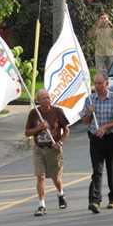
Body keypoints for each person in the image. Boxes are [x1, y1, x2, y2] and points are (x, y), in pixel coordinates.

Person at [80, 72, 113, 213]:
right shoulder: (90, 99)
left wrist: (105, 127)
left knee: (112, 168)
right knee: (97, 169)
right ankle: (94, 200)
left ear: (107, 83)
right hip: (95, 138)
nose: (97, 86)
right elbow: (84, 121)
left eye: (100, 83)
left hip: (111, 137)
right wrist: (89, 113)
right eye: (95, 83)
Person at [25, 89, 70, 217]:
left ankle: (61, 193)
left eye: (48, 97)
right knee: (40, 176)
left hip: (53, 149)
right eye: (44, 98)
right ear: (38, 101)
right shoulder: (34, 113)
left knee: (55, 177)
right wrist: (39, 128)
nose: (47, 100)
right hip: (39, 149)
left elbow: (66, 130)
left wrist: (60, 142)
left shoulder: (57, 111)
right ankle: (41, 205)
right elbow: (27, 132)